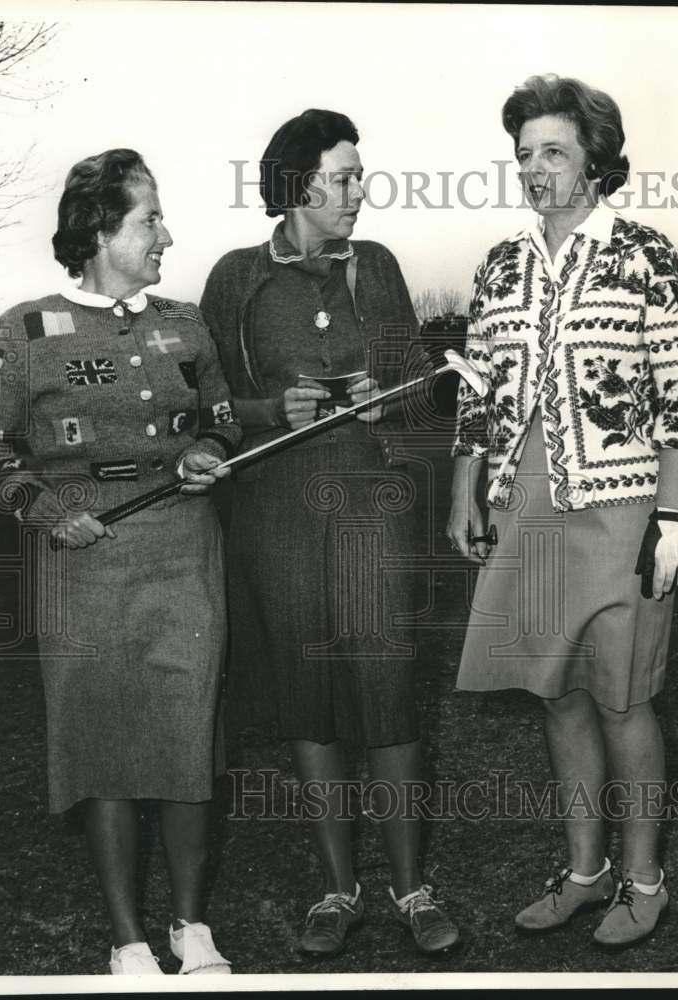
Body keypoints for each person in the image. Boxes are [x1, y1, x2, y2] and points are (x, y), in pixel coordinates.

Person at [0, 149, 241, 975]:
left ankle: (193, 930)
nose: (166, 234)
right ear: (97, 230)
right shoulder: (24, 330)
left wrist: (207, 447)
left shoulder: (187, 323)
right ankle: (127, 940)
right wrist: (48, 511)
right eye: (149, 218)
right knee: (102, 744)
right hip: (81, 566)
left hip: (184, 556)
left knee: (185, 735)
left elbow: (223, 418)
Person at [447, 75, 678, 948]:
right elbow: (475, 393)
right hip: (525, 516)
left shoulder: (645, 254)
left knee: (623, 702)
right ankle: (584, 873)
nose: (534, 169)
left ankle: (644, 882)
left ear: (595, 159)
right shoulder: (502, 262)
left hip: (622, 512)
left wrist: (670, 523)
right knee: (554, 697)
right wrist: (464, 491)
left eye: (552, 151)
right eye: (523, 154)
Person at [200, 109, 459, 957]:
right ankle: (335, 888)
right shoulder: (236, 277)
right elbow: (207, 409)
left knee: (385, 685)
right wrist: (273, 410)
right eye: (343, 177)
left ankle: (413, 887)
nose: (359, 191)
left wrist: (376, 391)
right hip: (274, 509)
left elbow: (423, 386)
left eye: (359, 175)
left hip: (368, 503)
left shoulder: (375, 267)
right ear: (296, 184)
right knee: (305, 698)